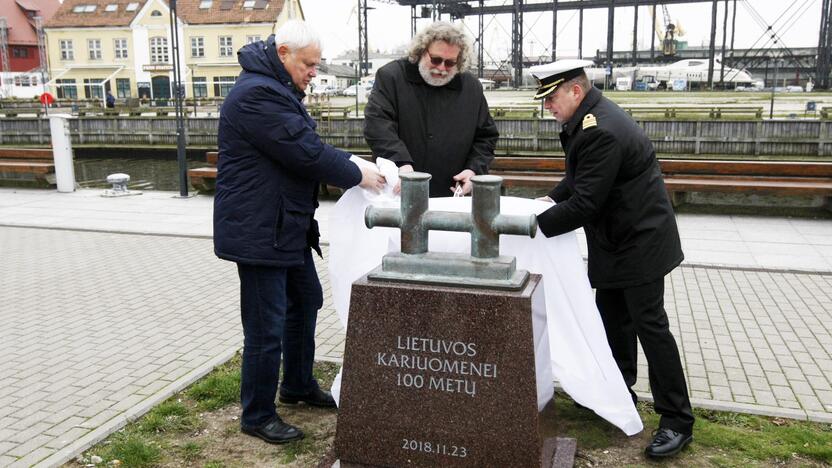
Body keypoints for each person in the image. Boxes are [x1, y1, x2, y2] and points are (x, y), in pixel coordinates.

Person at [213, 20, 385, 445]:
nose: (314, 72)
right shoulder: (257, 94)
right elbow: (305, 152)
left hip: (283, 226)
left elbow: (305, 144)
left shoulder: (275, 89)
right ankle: (256, 414)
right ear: (284, 52)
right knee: (265, 326)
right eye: (308, 64)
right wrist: (360, 174)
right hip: (260, 231)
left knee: (306, 300)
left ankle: (297, 384)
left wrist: (353, 162)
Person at [530, 60, 695, 458]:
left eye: (551, 98)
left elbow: (586, 201)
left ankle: (677, 420)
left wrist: (533, 226)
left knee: (650, 328)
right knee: (612, 322)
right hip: (618, 242)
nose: (547, 107)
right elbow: (578, 178)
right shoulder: (590, 118)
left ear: (575, 90)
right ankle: (618, 394)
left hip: (639, 245)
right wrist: (550, 200)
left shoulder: (599, 130)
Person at [363, 21, 498, 197]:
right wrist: (400, 163)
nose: (441, 68)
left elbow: (486, 137)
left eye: (450, 63)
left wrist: (473, 171)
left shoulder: (471, 87)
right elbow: (377, 125)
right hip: (399, 190)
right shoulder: (392, 77)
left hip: (451, 193)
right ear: (421, 51)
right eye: (436, 60)